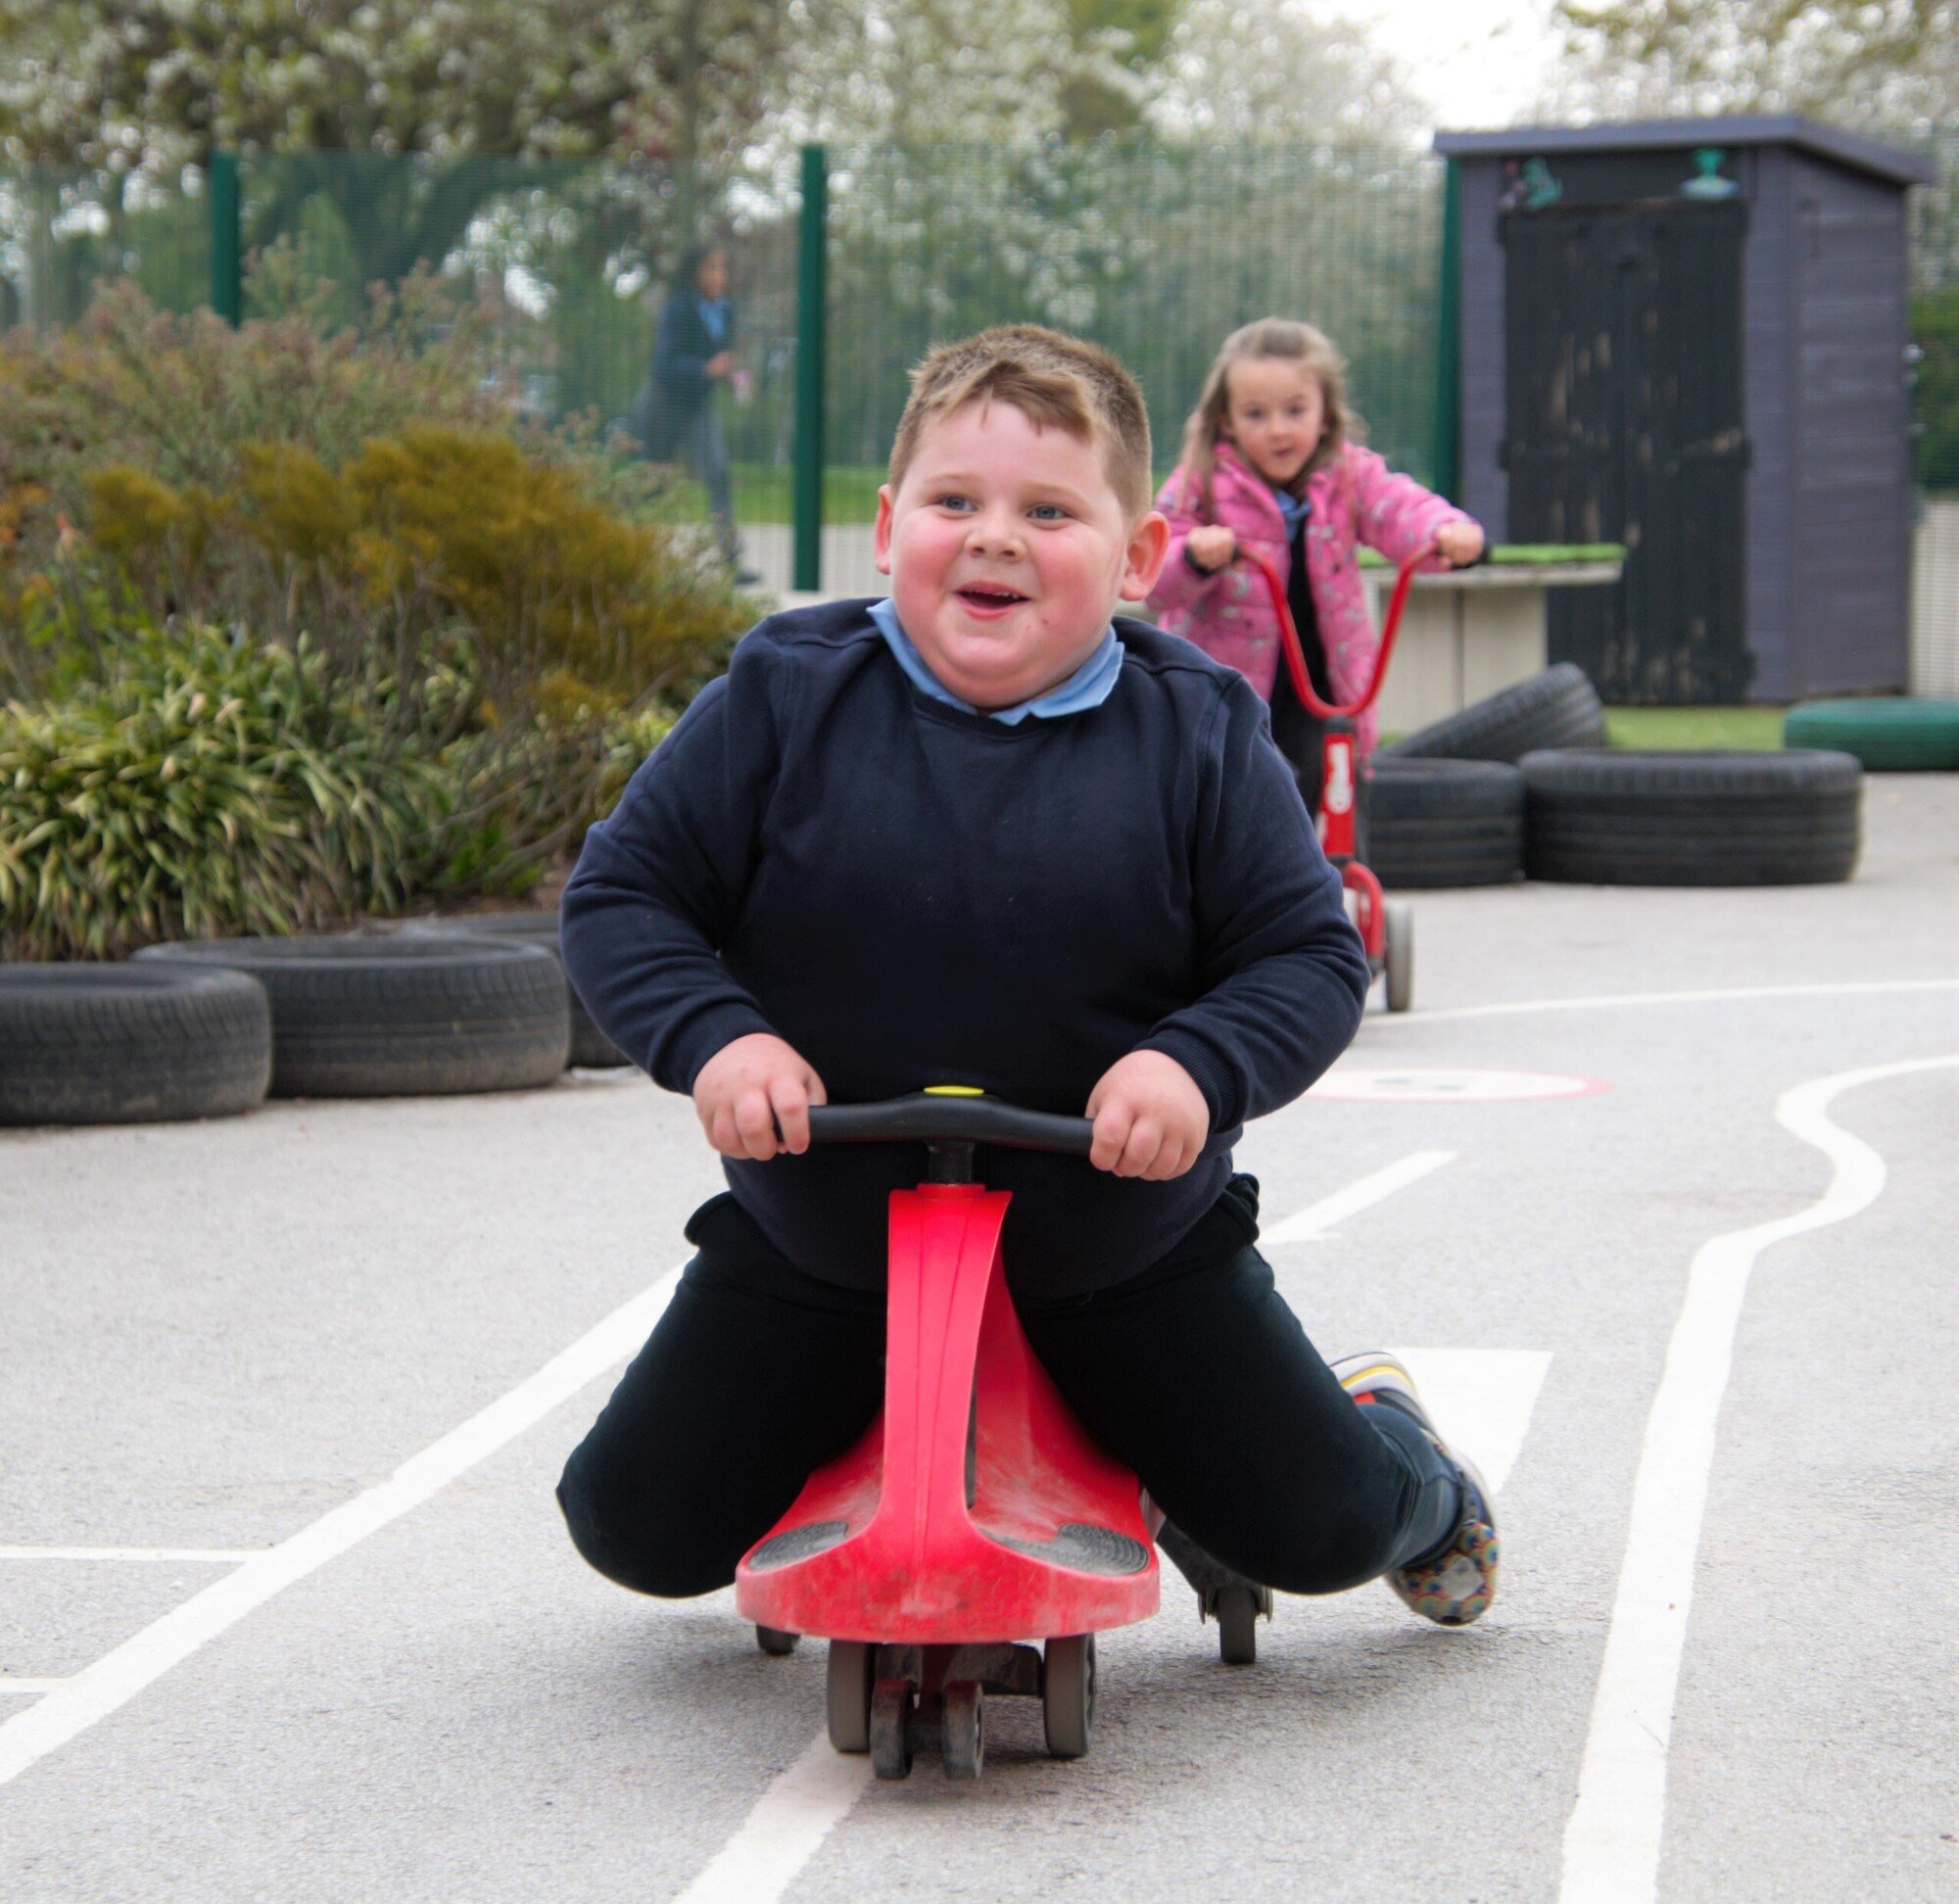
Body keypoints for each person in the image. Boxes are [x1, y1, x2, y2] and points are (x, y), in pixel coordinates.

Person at [555, 324, 1498, 1634]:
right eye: (957, 502)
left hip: (1117, 1243)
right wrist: (719, 1041)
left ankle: (1408, 1457)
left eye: (1049, 511)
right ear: (888, 530)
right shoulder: (786, 697)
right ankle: (866, 1440)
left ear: (1139, 558)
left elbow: (1307, 951)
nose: (995, 536)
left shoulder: (1198, 730)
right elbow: (623, 895)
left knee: (1319, 1529)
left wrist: (1194, 1063)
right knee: (636, 1527)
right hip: (828, 1238)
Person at [1147, 318, 1484, 815]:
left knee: (1339, 773)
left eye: (1295, 410)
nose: (1278, 429)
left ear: (1325, 414)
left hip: (1324, 681)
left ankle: (1346, 878)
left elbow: (1400, 509)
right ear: (1227, 420)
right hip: (1227, 690)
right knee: (1234, 793)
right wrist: (1196, 556)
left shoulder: (1348, 475)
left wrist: (1446, 533)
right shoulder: (1201, 483)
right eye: (1256, 414)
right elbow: (1156, 575)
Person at [649, 242, 754, 581]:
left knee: (718, 474)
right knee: (655, 485)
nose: (719, 275)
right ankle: (640, 558)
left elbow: (721, 359)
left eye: (723, 268)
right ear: (696, 273)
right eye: (712, 268)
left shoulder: (725, 310)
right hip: (662, 406)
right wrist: (705, 369)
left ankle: (730, 563)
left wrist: (731, 378)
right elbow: (663, 366)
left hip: (698, 409)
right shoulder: (677, 309)